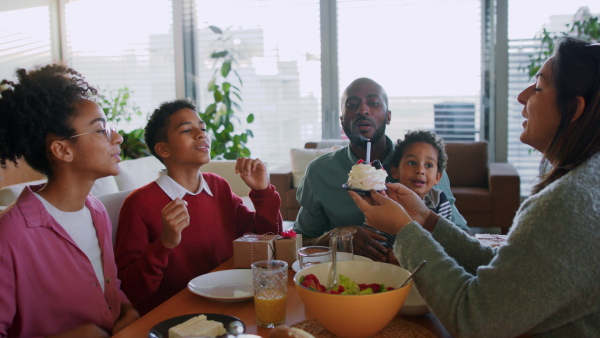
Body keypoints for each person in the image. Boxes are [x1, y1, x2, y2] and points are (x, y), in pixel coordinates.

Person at [350, 37, 600, 337]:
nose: (521, 97)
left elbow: (474, 320)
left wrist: (405, 230)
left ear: (573, 109)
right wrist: (425, 218)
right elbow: (509, 273)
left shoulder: (568, 205)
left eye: (538, 87)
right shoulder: (587, 184)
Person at [0, 64, 139, 337]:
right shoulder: (10, 235)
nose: (118, 137)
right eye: (101, 130)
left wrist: (126, 309)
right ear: (62, 150)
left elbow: (107, 285)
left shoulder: (96, 211)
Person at [115, 99, 283, 315]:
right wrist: (163, 244)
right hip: (176, 315)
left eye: (202, 128)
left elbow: (266, 238)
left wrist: (263, 191)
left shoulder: (218, 186)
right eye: (186, 130)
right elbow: (130, 290)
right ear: (163, 149)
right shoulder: (139, 205)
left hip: (230, 302)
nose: (201, 134)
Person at [293, 77, 469, 262]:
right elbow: (300, 240)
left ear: (388, 116)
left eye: (373, 103)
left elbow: (462, 237)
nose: (362, 110)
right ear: (342, 120)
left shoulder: (423, 169)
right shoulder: (320, 172)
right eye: (352, 104)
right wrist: (335, 237)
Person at [364, 130, 453, 249]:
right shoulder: (383, 199)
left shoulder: (440, 200)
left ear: (438, 177)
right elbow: (373, 241)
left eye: (429, 165)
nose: (420, 170)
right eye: (412, 162)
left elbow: (445, 241)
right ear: (395, 171)